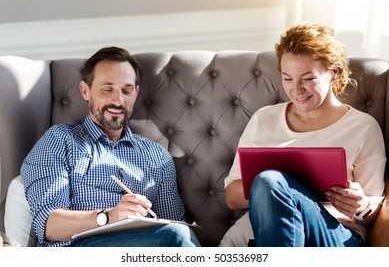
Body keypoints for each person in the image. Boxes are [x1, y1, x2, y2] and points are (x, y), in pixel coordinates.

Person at [222, 22, 386, 247]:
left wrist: (361, 205)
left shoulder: (363, 127)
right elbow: (232, 197)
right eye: (287, 78)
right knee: (270, 182)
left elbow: (371, 212)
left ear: (334, 73)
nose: (296, 90)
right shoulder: (263, 119)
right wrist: (279, 187)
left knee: (271, 180)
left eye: (308, 78)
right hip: (261, 231)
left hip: (333, 234)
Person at [21, 46, 200, 247]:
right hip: (76, 250)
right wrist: (109, 216)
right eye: (107, 89)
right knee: (175, 237)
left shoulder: (157, 156)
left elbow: (173, 224)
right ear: (85, 91)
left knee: (178, 233)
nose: (118, 100)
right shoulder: (59, 141)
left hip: (140, 251)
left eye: (127, 91)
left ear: (136, 94)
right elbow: (48, 225)